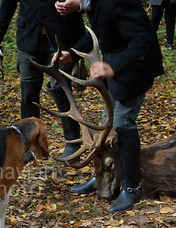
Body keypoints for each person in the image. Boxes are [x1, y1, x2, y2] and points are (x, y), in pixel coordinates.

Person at [57, 0, 164, 213]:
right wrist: (72, 52)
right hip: (118, 68)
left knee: (123, 123)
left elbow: (142, 40)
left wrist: (112, 66)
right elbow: (97, 33)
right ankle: (104, 176)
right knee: (108, 124)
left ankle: (132, 188)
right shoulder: (93, 3)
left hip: (135, 68)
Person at [0, 0, 85, 164]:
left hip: (63, 38)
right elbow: (7, 5)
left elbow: (89, 4)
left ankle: (73, 143)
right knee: (29, 93)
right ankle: (29, 144)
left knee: (61, 90)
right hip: (29, 37)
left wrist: (77, 5)